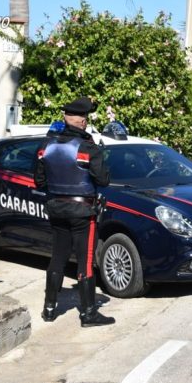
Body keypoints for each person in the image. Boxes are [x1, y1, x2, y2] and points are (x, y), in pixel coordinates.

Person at [34, 96, 115, 327]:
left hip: (56, 209)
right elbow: (103, 179)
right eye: (85, 118)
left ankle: (49, 309)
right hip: (82, 212)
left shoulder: (45, 147)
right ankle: (88, 313)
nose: (85, 122)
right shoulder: (88, 148)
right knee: (85, 260)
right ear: (82, 121)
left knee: (57, 256)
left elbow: (39, 182)